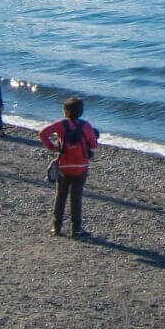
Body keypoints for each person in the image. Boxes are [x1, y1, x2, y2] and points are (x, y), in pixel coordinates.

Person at [39, 96, 99, 236]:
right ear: (81, 112)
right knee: (76, 198)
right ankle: (76, 229)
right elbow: (94, 145)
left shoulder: (61, 124)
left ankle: (56, 227)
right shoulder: (86, 126)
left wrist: (52, 147)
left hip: (64, 165)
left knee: (60, 196)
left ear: (65, 111)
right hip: (81, 166)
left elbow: (43, 133)